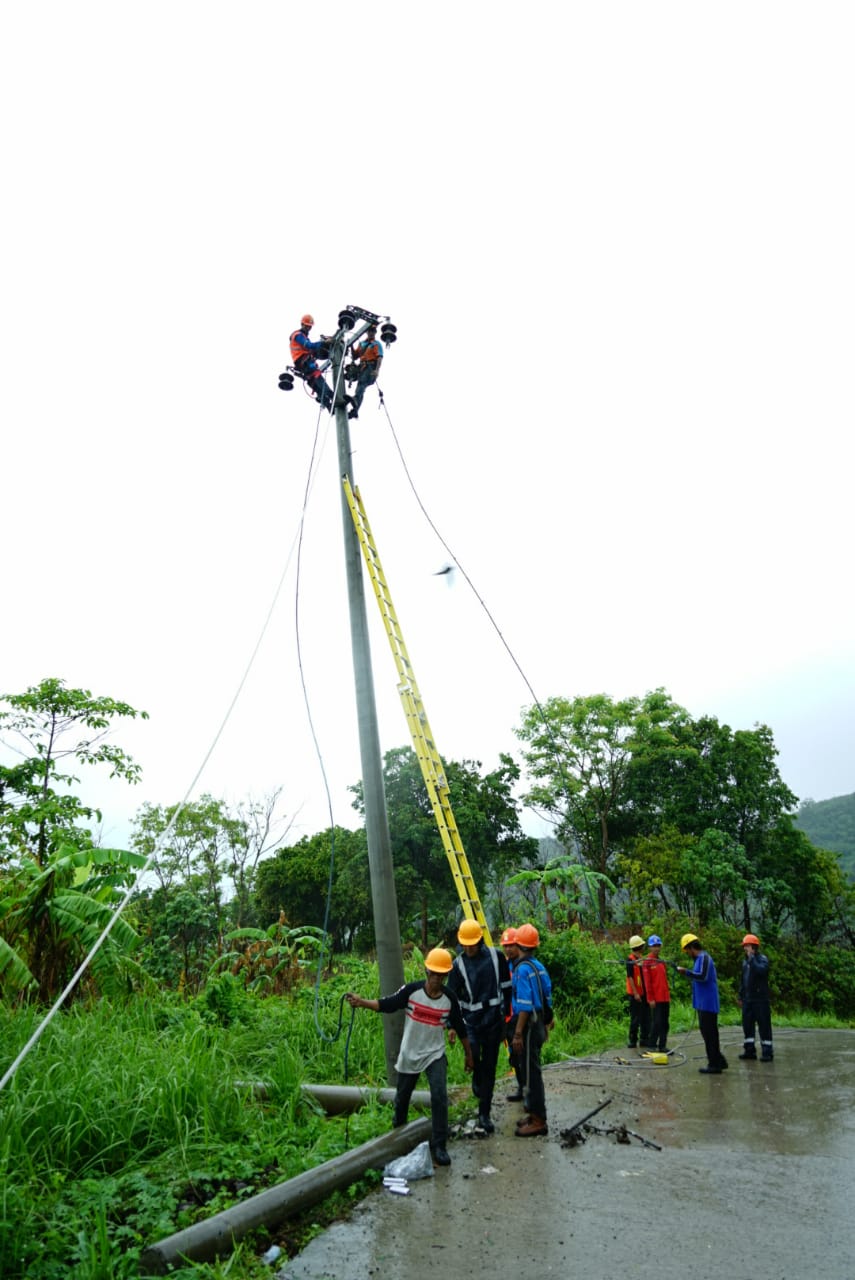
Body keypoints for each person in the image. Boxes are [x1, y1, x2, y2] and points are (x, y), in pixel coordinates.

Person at [345, 947, 472, 1167]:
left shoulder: (449, 999)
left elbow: (461, 1029)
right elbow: (387, 1004)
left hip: (434, 1053)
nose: (436, 979)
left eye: (441, 975)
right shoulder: (412, 991)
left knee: (439, 1096)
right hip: (410, 1052)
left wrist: (469, 1056)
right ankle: (398, 1139)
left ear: (446, 976)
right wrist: (361, 1002)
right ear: (426, 971)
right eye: (433, 974)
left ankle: (440, 1144)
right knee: (402, 1098)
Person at [446, 918, 512, 1133]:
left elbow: (507, 987)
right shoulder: (458, 965)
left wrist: (507, 1017)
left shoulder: (496, 957)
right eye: (464, 945)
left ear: (480, 941)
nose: (468, 948)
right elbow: (452, 997)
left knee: (490, 1067)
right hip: (471, 1022)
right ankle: (477, 1074)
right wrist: (451, 1025)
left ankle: (484, 1113)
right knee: (474, 1054)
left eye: (471, 944)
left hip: (493, 1019)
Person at [510, 922, 552, 1137]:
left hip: (528, 1025)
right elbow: (547, 996)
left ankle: (539, 1120)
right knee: (531, 1069)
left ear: (518, 945)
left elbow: (525, 1005)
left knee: (531, 1074)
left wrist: (518, 1033)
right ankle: (533, 1113)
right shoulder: (538, 966)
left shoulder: (522, 970)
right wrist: (546, 1023)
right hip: (539, 1022)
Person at [677, 933, 728, 1074]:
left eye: (687, 951)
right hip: (702, 1003)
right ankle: (719, 1060)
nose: (687, 954)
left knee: (710, 1034)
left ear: (691, 947)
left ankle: (714, 1064)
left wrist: (686, 972)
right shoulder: (699, 959)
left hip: (708, 1004)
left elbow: (702, 976)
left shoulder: (704, 958)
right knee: (708, 1033)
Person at [289, 313, 335, 412]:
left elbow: (312, 350)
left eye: (310, 326)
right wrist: (324, 343)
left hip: (304, 364)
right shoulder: (297, 335)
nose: (308, 328)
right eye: (307, 326)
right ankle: (332, 396)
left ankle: (329, 406)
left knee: (315, 385)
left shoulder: (303, 336)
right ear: (302, 324)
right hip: (303, 362)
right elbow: (309, 346)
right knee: (318, 379)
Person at [738, 933, 773, 1061]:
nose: (745, 948)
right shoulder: (745, 962)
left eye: (747, 946)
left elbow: (761, 971)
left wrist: (752, 959)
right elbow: (743, 981)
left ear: (753, 947)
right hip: (748, 1000)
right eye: (744, 946)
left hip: (760, 1000)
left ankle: (767, 1052)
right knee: (747, 1026)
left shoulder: (762, 959)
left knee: (764, 1026)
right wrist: (740, 996)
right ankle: (749, 1051)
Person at [500, 927, 525, 1101]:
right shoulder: (505, 966)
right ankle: (522, 1088)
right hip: (508, 1017)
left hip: (523, 1017)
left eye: (511, 945)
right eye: (505, 946)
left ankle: (529, 1090)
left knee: (524, 1056)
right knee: (514, 1056)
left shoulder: (524, 965)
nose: (508, 949)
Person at [348, 324, 383, 419]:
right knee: (361, 386)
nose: (371, 333)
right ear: (367, 332)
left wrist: (377, 370)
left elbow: (379, 357)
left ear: (375, 333)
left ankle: (356, 399)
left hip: (371, 367)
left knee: (362, 383)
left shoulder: (376, 344)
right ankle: (355, 410)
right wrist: (351, 345)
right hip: (362, 368)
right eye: (370, 331)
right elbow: (355, 356)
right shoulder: (362, 344)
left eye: (373, 331)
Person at [643, 934, 671, 1052]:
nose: (656, 948)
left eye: (658, 945)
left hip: (665, 997)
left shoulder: (661, 962)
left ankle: (662, 1045)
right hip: (656, 998)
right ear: (650, 947)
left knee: (665, 1023)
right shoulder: (647, 962)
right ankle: (652, 1044)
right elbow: (647, 982)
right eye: (654, 946)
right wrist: (650, 998)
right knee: (657, 1022)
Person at [625, 934, 651, 1049]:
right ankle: (633, 1040)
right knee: (635, 1018)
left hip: (644, 993)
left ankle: (644, 1039)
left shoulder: (641, 959)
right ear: (639, 947)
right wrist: (635, 993)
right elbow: (630, 977)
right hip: (635, 994)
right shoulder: (630, 960)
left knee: (646, 1017)